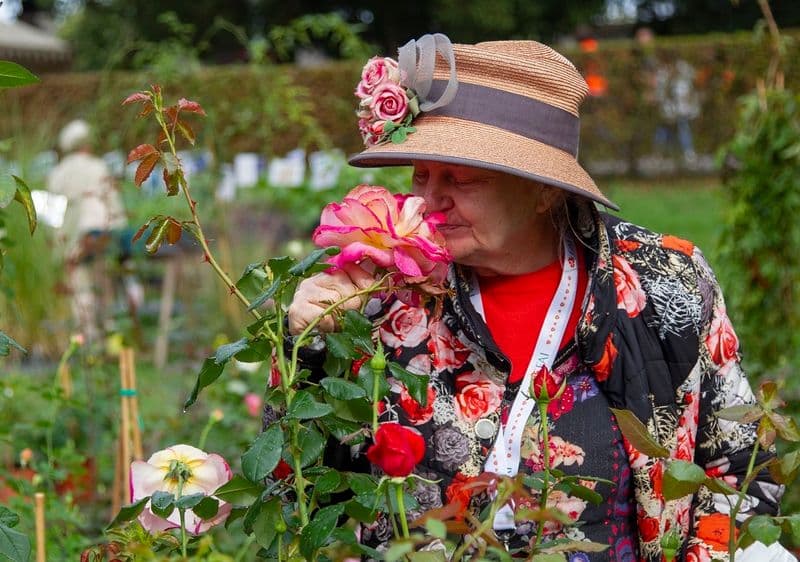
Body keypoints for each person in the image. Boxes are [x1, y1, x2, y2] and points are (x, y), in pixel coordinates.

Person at [287, 36, 783, 560]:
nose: (429, 199)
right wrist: (310, 349)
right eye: (422, 173)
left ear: (545, 190)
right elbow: (300, 487)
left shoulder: (665, 282)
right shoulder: (381, 288)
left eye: (460, 177)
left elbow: (741, 473)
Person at [48, 119, 128, 343]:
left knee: (81, 287)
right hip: (101, 235)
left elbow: (54, 213)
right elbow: (114, 205)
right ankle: (110, 333)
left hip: (74, 239)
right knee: (105, 284)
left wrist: (58, 244)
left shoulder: (58, 173)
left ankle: (87, 336)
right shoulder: (98, 167)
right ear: (87, 143)